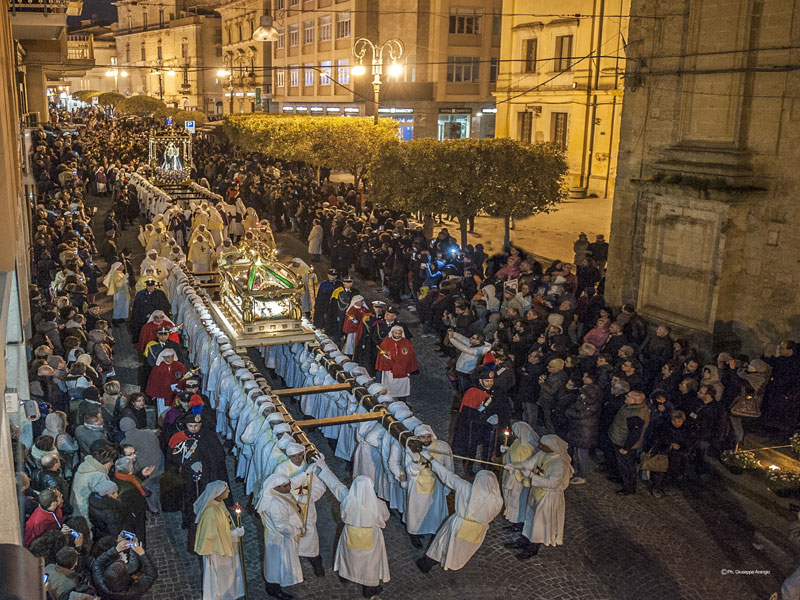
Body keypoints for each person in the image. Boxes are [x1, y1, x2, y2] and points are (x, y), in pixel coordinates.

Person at [314, 459, 390, 598]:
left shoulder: (348, 498)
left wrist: (323, 467)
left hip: (351, 533)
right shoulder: (378, 504)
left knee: (349, 556)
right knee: (370, 563)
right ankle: (368, 587)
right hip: (371, 537)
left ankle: (346, 575)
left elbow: (335, 484)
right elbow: (384, 518)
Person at [416, 463, 503, 573]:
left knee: (441, 544)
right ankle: (449, 562)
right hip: (478, 530)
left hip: (459, 524)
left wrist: (432, 460)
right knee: (461, 549)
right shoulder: (498, 501)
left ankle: (426, 564)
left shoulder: (466, 488)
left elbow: (447, 476)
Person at [505, 434, 573, 559]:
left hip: (548, 497)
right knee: (530, 518)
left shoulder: (559, 464)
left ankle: (533, 547)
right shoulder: (543, 454)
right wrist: (514, 466)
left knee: (539, 524)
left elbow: (553, 483)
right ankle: (525, 539)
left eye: (542, 445)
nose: (539, 446)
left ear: (551, 447)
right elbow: (528, 464)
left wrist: (531, 476)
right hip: (537, 492)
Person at [401, 424, 454, 548]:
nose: (426, 440)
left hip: (436, 485)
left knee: (433, 511)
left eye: (427, 437)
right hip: (417, 485)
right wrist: (415, 461)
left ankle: (433, 531)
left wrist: (448, 485)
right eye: (422, 437)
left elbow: (449, 466)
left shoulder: (442, 447)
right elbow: (410, 471)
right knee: (416, 512)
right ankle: (414, 533)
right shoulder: (411, 449)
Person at [194, 481, 245, 600]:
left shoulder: (219, 503)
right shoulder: (211, 512)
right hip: (218, 552)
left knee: (229, 574)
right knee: (223, 576)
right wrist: (235, 533)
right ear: (218, 493)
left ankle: (231, 594)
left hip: (226, 547)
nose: (229, 491)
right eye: (226, 489)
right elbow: (215, 536)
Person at [256, 474, 303, 600]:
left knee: (277, 563)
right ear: (276, 487)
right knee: (277, 565)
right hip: (279, 539)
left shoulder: (276, 495)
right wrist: (297, 530)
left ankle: (276, 584)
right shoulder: (275, 503)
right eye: (285, 486)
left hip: (279, 538)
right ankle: (273, 588)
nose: (289, 487)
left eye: (288, 484)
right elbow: (281, 526)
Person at [91, 535, 158, 599]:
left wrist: (116, 549)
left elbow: (97, 563)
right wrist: (140, 552)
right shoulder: (133, 590)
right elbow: (152, 575)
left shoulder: (100, 583)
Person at [502, 421, 539, 528]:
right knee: (511, 499)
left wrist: (514, 467)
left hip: (519, 479)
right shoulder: (517, 442)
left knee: (518, 500)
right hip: (512, 475)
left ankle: (518, 522)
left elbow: (526, 465)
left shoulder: (528, 447)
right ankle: (513, 519)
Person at [375, 326, 419, 401]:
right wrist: (388, 361)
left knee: (402, 389)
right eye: (396, 333)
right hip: (389, 371)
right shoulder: (385, 342)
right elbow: (381, 357)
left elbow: (410, 356)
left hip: (403, 370)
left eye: (399, 333)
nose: (398, 335)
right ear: (392, 333)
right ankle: (388, 401)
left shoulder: (406, 343)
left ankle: (403, 401)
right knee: (389, 388)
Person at [145, 348, 187, 417]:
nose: (170, 359)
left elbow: (185, 377)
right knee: (163, 414)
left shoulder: (180, 366)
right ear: (163, 357)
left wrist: (180, 385)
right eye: (168, 357)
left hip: (177, 394)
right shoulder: (157, 369)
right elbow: (154, 383)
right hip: (163, 396)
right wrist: (169, 387)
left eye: (172, 356)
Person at [129, 278, 171, 344]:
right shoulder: (140, 294)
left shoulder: (160, 294)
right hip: (143, 318)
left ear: (154, 286)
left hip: (157, 319)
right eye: (148, 286)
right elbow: (137, 308)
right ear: (146, 286)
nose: (150, 288)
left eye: (152, 286)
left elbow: (165, 306)